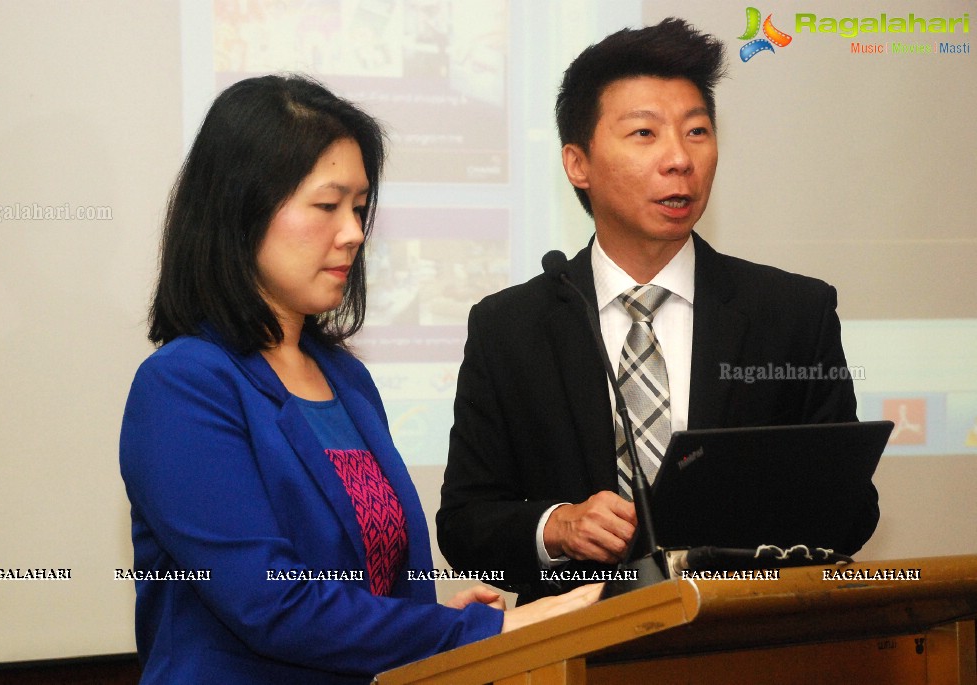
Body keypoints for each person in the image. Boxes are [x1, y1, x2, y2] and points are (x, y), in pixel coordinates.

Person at [119, 74, 600, 685]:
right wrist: (480, 632)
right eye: (327, 205)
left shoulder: (345, 378)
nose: (352, 232)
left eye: (359, 208)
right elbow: (272, 604)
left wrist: (428, 621)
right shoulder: (184, 387)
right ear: (241, 210)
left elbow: (367, 575)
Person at [437, 18, 879, 604]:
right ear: (578, 164)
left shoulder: (794, 313)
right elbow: (465, 524)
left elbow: (853, 510)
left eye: (697, 132)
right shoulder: (508, 327)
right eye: (644, 134)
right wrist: (557, 527)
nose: (679, 159)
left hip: (746, 638)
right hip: (574, 649)